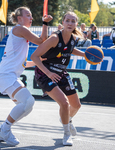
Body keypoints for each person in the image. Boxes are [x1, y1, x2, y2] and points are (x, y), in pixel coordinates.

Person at [0, 7, 53, 146]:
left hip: (9, 76)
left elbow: (24, 63)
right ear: (19, 18)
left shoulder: (20, 33)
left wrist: (40, 61)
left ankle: (2, 130)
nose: (31, 18)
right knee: (27, 101)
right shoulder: (20, 29)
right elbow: (41, 40)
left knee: (27, 105)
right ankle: (5, 130)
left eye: (31, 15)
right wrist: (45, 23)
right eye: (28, 15)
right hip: (7, 75)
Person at [31, 11, 84, 146]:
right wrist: (48, 73)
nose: (70, 23)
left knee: (76, 105)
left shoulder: (73, 39)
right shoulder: (54, 38)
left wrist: (85, 55)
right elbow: (34, 57)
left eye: (73, 21)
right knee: (64, 103)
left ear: (76, 24)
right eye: (68, 20)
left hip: (61, 73)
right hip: (45, 73)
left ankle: (66, 119)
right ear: (63, 22)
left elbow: (69, 49)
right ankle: (66, 134)